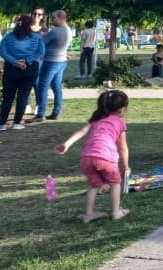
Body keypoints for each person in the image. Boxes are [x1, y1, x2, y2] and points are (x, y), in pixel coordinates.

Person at [55, 90, 130, 222]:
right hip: (106, 158)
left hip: (86, 158)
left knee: (94, 185)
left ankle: (88, 215)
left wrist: (66, 144)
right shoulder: (120, 123)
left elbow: (81, 131)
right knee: (115, 183)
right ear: (122, 110)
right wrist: (125, 166)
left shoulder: (96, 121)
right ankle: (116, 212)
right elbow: (123, 148)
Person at [0, 14, 45, 132]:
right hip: (30, 68)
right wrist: (27, 60)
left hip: (11, 69)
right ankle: (17, 122)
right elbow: (41, 52)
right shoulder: (36, 38)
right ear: (30, 25)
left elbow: (2, 51)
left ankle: (2, 124)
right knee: (23, 95)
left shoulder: (8, 37)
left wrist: (14, 62)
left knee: (7, 97)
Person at [33, 9, 72, 122]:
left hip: (51, 61)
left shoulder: (56, 31)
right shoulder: (68, 29)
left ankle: (40, 114)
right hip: (61, 60)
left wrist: (38, 34)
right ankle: (55, 112)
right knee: (56, 87)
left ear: (60, 18)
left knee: (42, 86)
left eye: (54, 18)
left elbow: (42, 41)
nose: (52, 20)